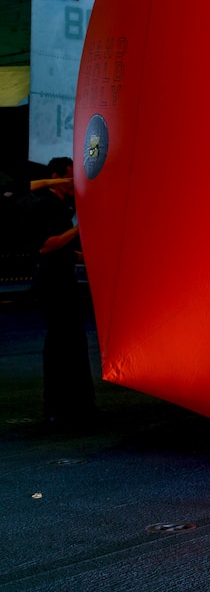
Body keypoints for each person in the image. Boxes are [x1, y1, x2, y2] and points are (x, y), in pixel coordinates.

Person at [28, 157, 96, 428]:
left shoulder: (61, 207)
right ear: (56, 177)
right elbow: (46, 246)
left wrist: (84, 254)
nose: (72, 183)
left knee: (75, 341)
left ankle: (80, 405)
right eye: (68, 178)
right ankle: (55, 407)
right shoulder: (43, 206)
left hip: (64, 280)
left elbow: (65, 249)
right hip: (52, 283)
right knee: (59, 343)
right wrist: (80, 229)